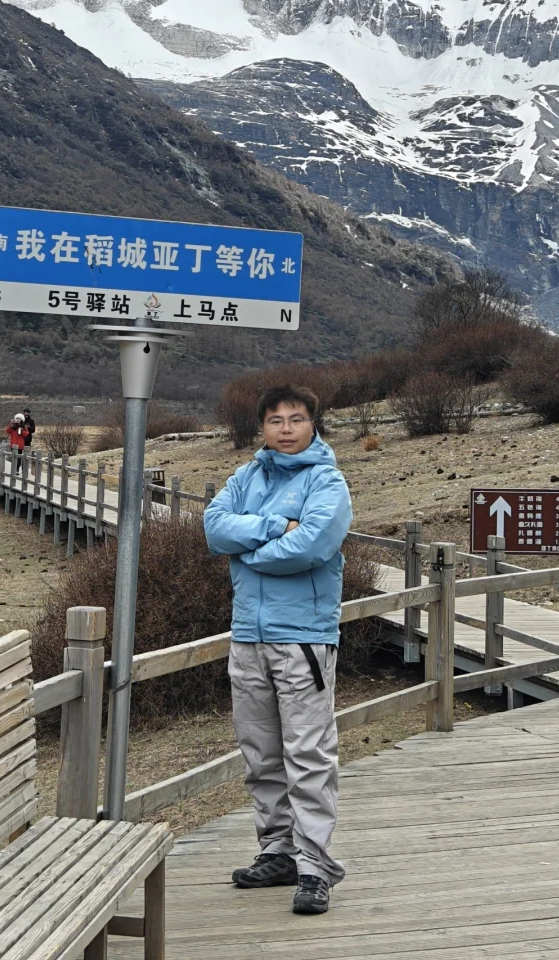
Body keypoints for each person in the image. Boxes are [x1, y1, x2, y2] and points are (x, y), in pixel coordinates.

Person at [203, 384, 352, 916]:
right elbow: (215, 529)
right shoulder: (246, 477)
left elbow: (312, 545)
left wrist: (251, 555)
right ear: (261, 427)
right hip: (248, 636)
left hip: (303, 640)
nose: (285, 428)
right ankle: (278, 851)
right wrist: (270, 527)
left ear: (314, 424)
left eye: (296, 418)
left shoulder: (327, 481)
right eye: (275, 420)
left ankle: (315, 868)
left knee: (308, 755)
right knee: (261, 754)